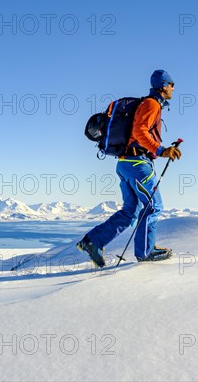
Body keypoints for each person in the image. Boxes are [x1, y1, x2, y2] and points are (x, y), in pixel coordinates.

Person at [77, 70, 181, 267]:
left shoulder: (148, 104)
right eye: (172, 84)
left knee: (130, 211)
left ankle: (93, 241)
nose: (173, 88)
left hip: (125, 163)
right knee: (153, 207)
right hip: (137, 164)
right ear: (164, 85)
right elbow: (139, 131)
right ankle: (145, 252)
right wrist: (161, 150)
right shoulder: (151, 104)